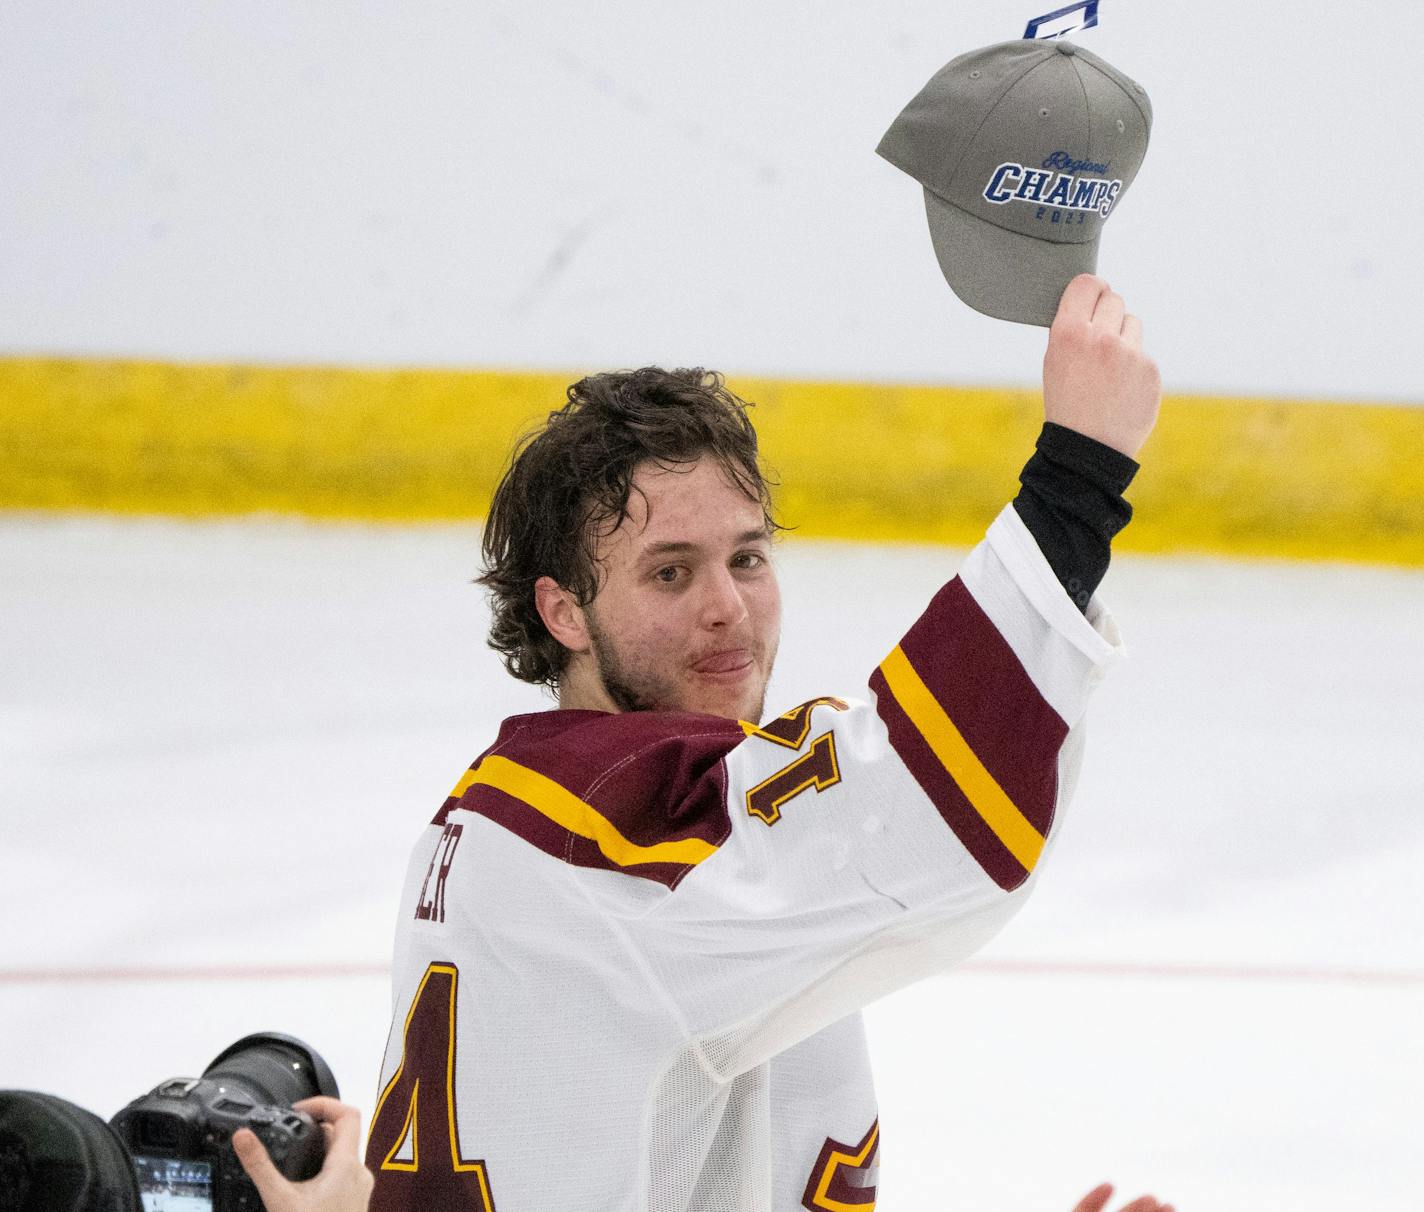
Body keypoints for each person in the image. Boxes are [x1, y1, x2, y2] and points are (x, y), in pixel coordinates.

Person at [239, 274, 1172, 1212]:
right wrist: (1076, 479)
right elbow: (920, 814)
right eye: (670, 573)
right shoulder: (610, 834)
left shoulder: (523, 820)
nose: (728, 608)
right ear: (563, 611)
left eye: (748, 558)